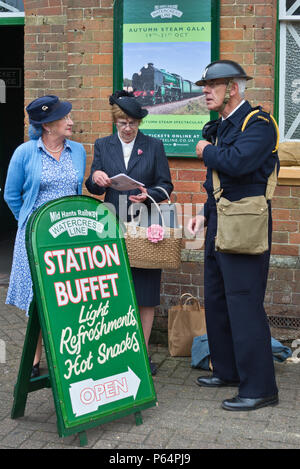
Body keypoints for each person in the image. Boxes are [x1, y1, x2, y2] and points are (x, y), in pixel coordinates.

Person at [188, 60, 279, 411]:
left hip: (245, 224)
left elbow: (239, 163)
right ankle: (226, 370)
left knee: (244, 302)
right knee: (218, 300)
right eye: (204, 86)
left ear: (233, 89)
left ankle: (259, 387)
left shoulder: (258, 124)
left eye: (212, 86)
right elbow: (219, 182)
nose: (205, 92)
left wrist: (205, 151)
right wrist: (201, 214)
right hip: (219, 221)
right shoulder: (221, 125)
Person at [85, 90, 173, 375]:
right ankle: (115, 348)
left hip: (145, 225)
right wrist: (96, 178)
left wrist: (149, 195)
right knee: (113, 288)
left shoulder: (154, 146)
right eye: (122, 122)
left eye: (132, 122)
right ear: (115, 121)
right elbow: (95, 185)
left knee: (145, 291)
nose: (127, 127)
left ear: (139, 123)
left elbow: (166, 185)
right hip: (111, 225)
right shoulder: (103, 145)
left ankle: (141, 353)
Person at [4, 95, 86, 377]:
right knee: (37, 299)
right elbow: (11, 194)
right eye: (66, 118)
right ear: (48, 125)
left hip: (69, 237)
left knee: (66, 296)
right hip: (36, 239)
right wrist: (28, 223)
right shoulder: (25, 153)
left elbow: (77, 193)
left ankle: (67, 355)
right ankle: (35, 360)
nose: (71, 122)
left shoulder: (78, 151)